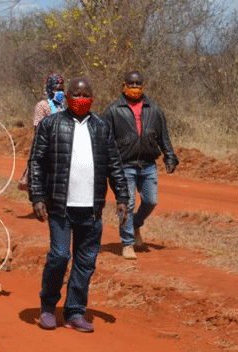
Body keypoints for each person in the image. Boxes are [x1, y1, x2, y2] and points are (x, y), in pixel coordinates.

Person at [28, 77, 129, 333]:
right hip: (61, 207)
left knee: (86, 262)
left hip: (91, 208)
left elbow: (115, 166)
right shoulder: (51, 124)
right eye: (75, 93)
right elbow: (36, 162)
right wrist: (37, 197)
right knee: (60, 256)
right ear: (67, 97)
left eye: (85, 94)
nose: (80, 98)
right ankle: (48, 307)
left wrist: (123, 198)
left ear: (93, 97)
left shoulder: (102, 127)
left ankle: (74, 312)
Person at [102, 71, 179, 260]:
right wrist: (105, 163)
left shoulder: (154, 109)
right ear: (123, 85)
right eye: (131, 84)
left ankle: (136, 223)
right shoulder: (113, 110)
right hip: (124, 165)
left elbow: (163, 137)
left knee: (151, 201)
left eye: (138, 84)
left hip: (148, 164)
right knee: (126, 204)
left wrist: (170, 156)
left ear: (143, 86)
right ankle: (127, 243)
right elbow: (104, 139)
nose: (135, 88)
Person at [18, 74, 65, 192]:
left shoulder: (62, 108)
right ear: (50, 89)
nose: (60, 93)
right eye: (57, 89)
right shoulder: (42, 106)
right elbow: (38, 129)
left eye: (62, 90)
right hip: (46, 147)